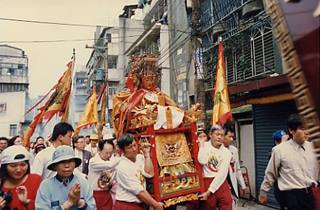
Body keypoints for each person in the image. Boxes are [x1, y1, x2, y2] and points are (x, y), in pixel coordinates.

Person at [259, 114, 319, 210]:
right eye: (303, 129)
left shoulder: (314, 148)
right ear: (291, 130)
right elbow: (271, 173)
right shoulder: (279, 150)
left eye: (308, 128)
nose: (307, 132)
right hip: (292, 196)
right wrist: (263, 192)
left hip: (310, 194)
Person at [35, 145, 96, 210]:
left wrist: (79, 202)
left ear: (75, 164)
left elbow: (93, 208)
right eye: (62, 162)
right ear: (55, 166)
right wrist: (67, 204)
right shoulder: (46, 186)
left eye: (70, 161)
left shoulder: (83, 183)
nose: (67, 165)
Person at [114, 133, 163, 210]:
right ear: (123, 150)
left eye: (134, 145)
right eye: (129, 147)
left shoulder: (139, 158)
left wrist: (147, 155)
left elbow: (149, 174)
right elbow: (139, 191)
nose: (134, 149)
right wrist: (155, 205)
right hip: (127, 205)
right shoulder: (122, 166)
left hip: (140, 204)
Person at [196, 124, 233, 210]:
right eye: (217, 134)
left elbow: (222, 174)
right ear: (210, 134)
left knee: (227, 204)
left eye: (222, 135)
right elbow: (202, 161)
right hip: (206, 180)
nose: (219, 137)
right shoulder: (204, 145)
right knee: (207, 206)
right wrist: (201, 146)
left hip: (220, 182)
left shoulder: (226, 152)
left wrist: (209, 191)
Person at [0, 145, 42, 210]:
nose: (19, 169)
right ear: (4, 167)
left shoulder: (36, 180)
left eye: (23, 165)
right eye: (13, 166)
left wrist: (26, 202)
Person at [88, 138, 120, 210]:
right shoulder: (93, 161)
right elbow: (109, 165)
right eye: (106, 153)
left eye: (111, 153)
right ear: (99, 150)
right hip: (95, 194)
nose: (109, 155)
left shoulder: (112, 160)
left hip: (106, 193)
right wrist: (121, 156)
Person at [222, 124, 247, 210]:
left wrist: (243, 185)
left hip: (232, 185)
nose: (232, 139)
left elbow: (238, 169)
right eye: (229, 137)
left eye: (233, 137)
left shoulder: (234, 150)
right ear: (222, 136)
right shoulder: (216, 150)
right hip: (221, 186)